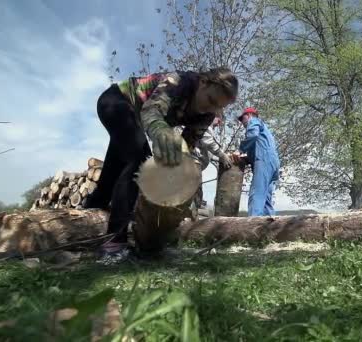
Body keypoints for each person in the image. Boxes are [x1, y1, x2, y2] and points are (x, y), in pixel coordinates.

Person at [83, 67, 238, 264]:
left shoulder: (206, 115)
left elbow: (187, 145)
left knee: (115, 167)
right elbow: (151, 111)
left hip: (133, 118)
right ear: (203, 82)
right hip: (116, 102)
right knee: (139, 161)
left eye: (218, 107)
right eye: (210, 100)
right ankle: (114, 242)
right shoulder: (179, 82)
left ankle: (90, 212)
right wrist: (162, 134)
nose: (211, 109)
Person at [231, 107, 280, 216]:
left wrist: (240, 150)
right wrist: (246, 159)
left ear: (248, 115)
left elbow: (252, 135)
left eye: (242, 119)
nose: (242, 122)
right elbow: (258, 149)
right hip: (273, 164)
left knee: (256, 194)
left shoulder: (253, 121)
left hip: (264, 161)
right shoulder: (265, 131)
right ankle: (270, 227)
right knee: (266, 199)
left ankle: (252, 227)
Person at [186, 112, 232, 211]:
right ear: (213, 116)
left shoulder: (205, 127)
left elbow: (205, 150)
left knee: (196, 196)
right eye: (218, 120)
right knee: (194, 195)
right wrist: (222, 155)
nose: (218, 124)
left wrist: (217, 158)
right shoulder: (204, 124)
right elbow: (208, 142)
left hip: (192, 164)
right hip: (191, 164)